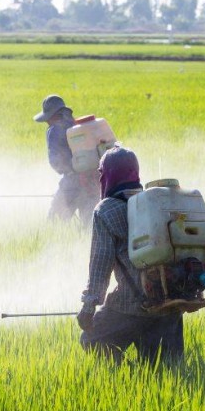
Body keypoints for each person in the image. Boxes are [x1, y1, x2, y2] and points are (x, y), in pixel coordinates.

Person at [77, 146, 184, 364]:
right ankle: (139, 380)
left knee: (91, 339)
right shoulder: (156, 203)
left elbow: (100, 266)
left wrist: (89, 307)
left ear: (108, 175)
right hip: (170, 304)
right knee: (167, 375)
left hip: (129, 306)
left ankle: (130, 373)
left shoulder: (106, 210)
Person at [33, 95, 99, 224]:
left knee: (54, 222)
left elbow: (56, 162)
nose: (46, 122)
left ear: (53, 115)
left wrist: (65, 187)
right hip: (92, 180)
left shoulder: (53, 130)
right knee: (89, 225)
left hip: (72, 181)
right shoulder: (77, 125)